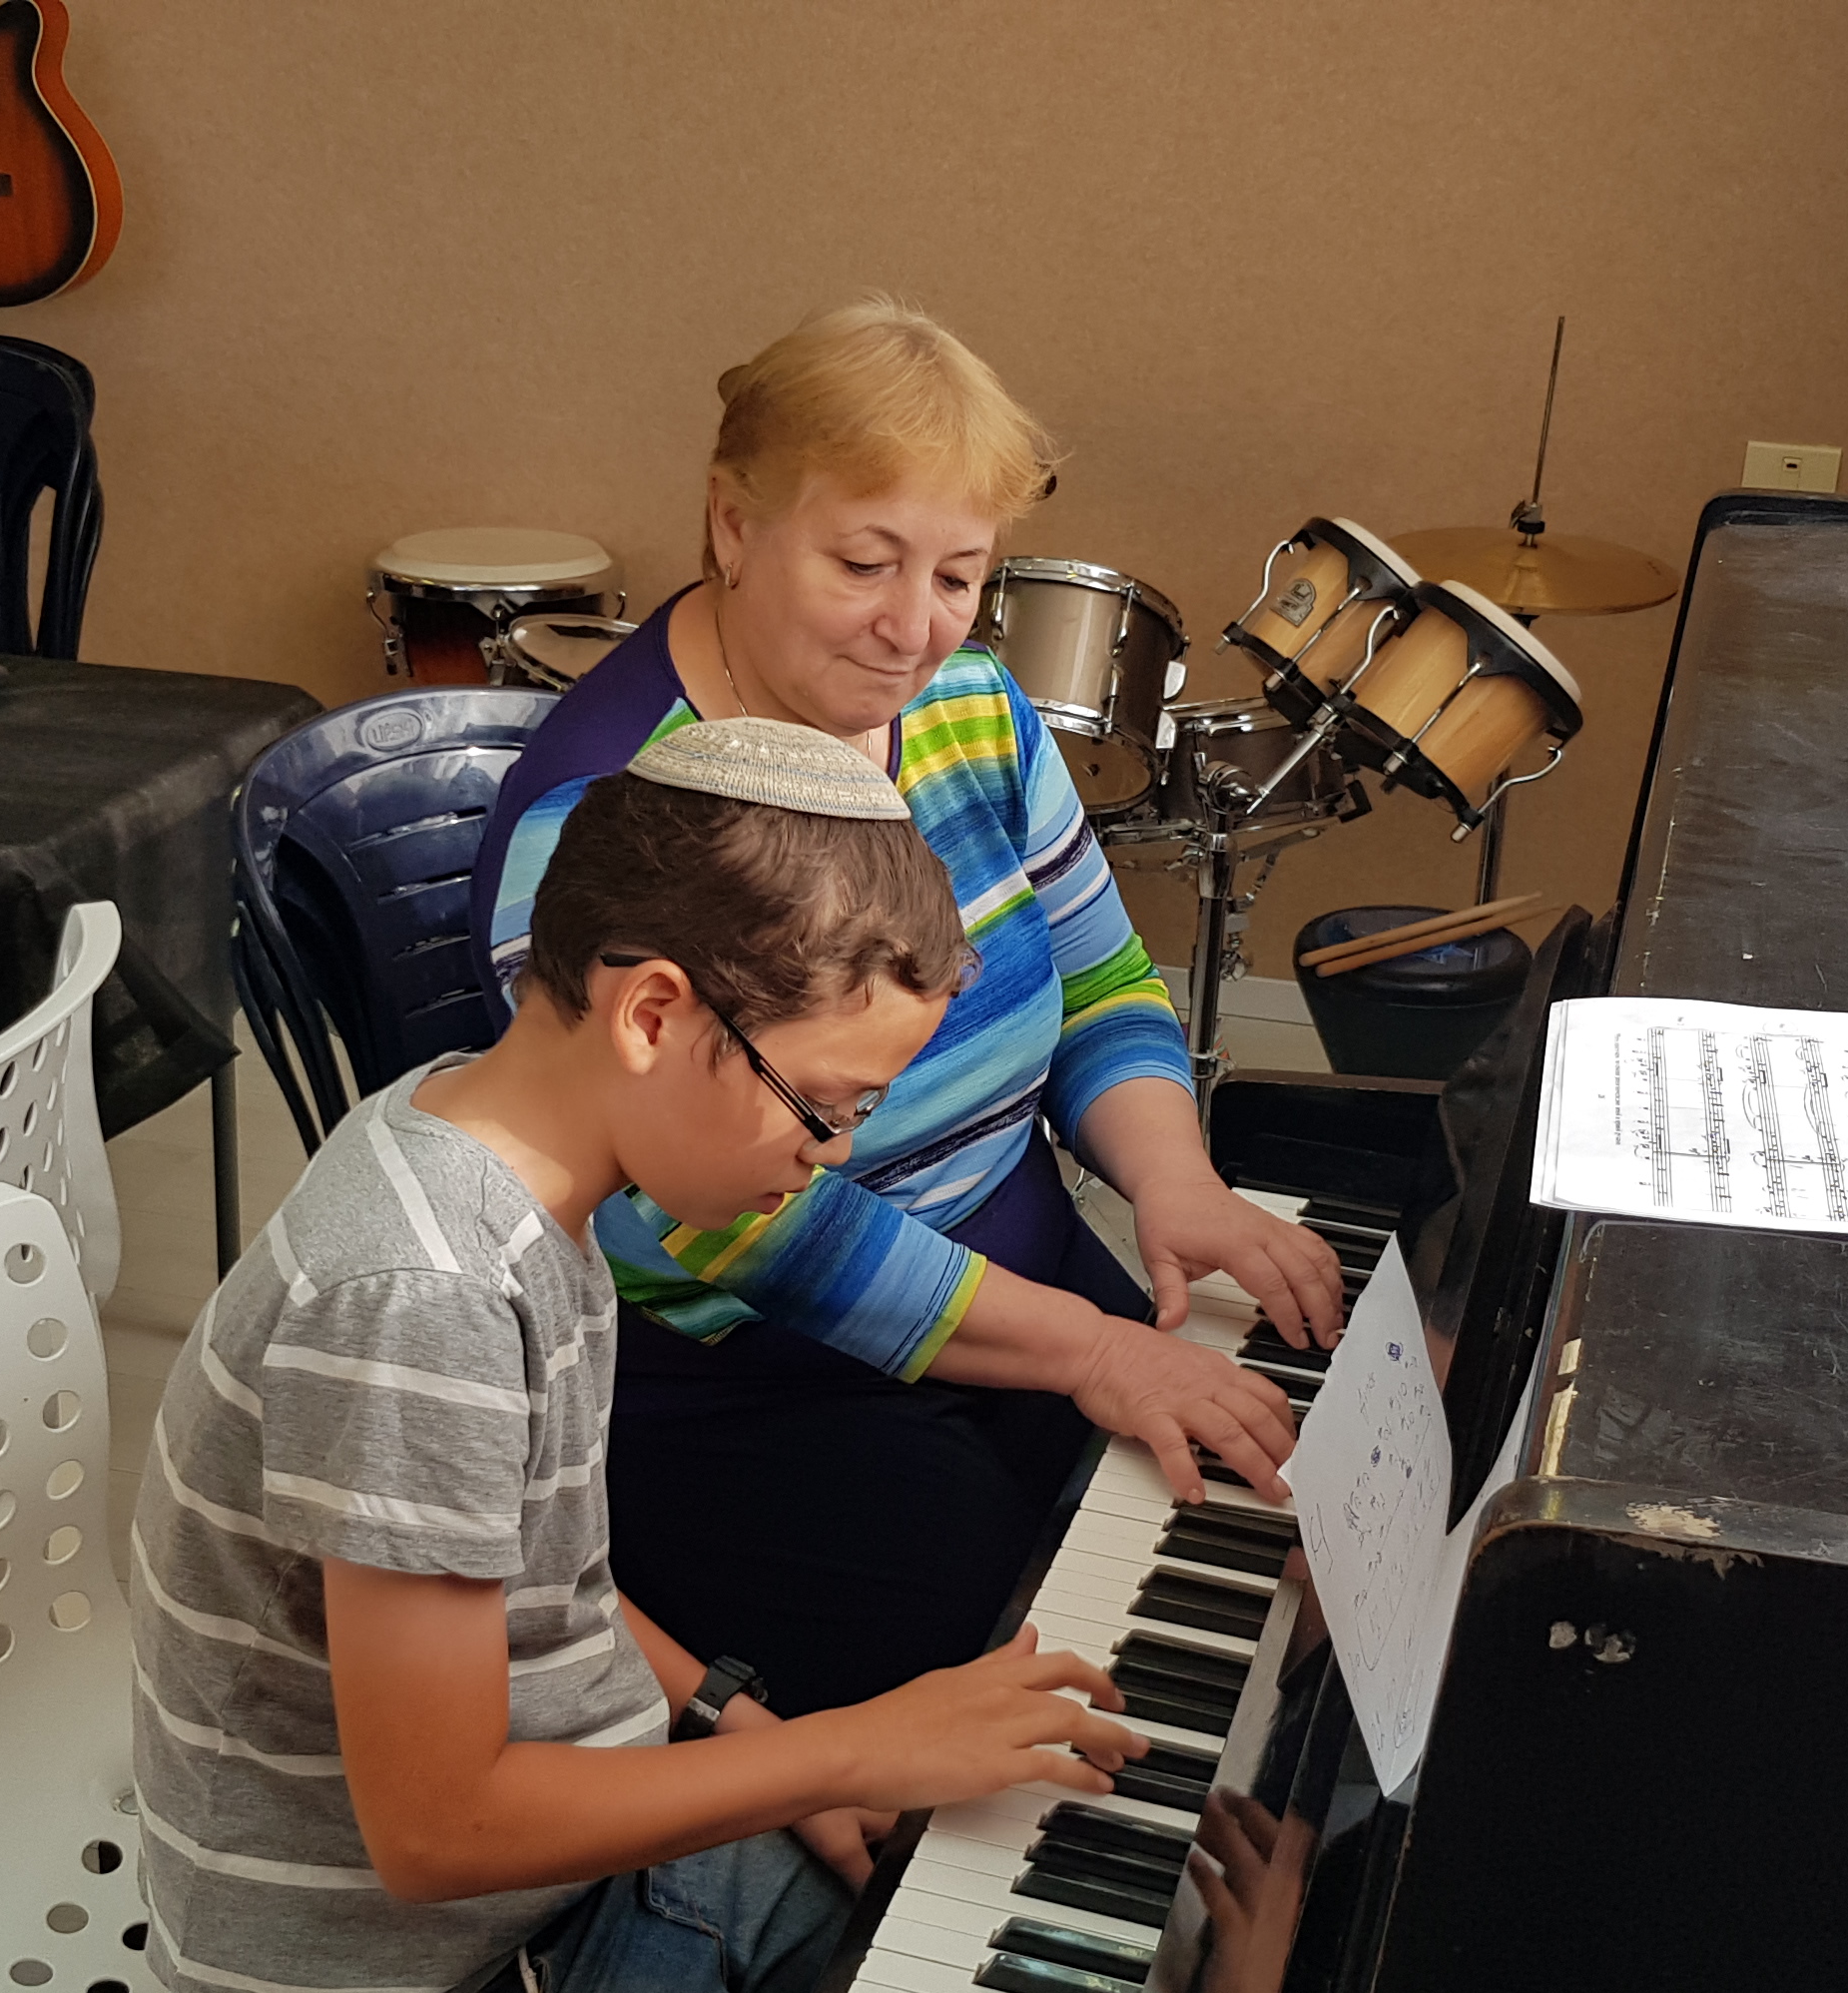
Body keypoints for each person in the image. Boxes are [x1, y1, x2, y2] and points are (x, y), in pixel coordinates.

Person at [144, 715, 1150, 1993]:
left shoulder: (507, 1150)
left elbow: (541, 1579)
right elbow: (437, 1829)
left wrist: (761, 1734)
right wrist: (852, 1740)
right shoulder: (420, 1297)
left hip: (577, 1854)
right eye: (827, 1106)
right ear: (656, 1013)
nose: (835, 1156)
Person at [471, 296, 1350, 1716]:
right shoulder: (608, 811)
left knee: (1262, 1516)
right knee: (1039, 1664)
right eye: (864, 563)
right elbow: (713, 1212)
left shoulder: (978, 709)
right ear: (733, 524)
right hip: (758, 1375)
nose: (913, 630)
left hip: (1022, 1273)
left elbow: (1102, 981)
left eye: (958, 577)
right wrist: (1091, 1350)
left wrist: (1174, 1180)